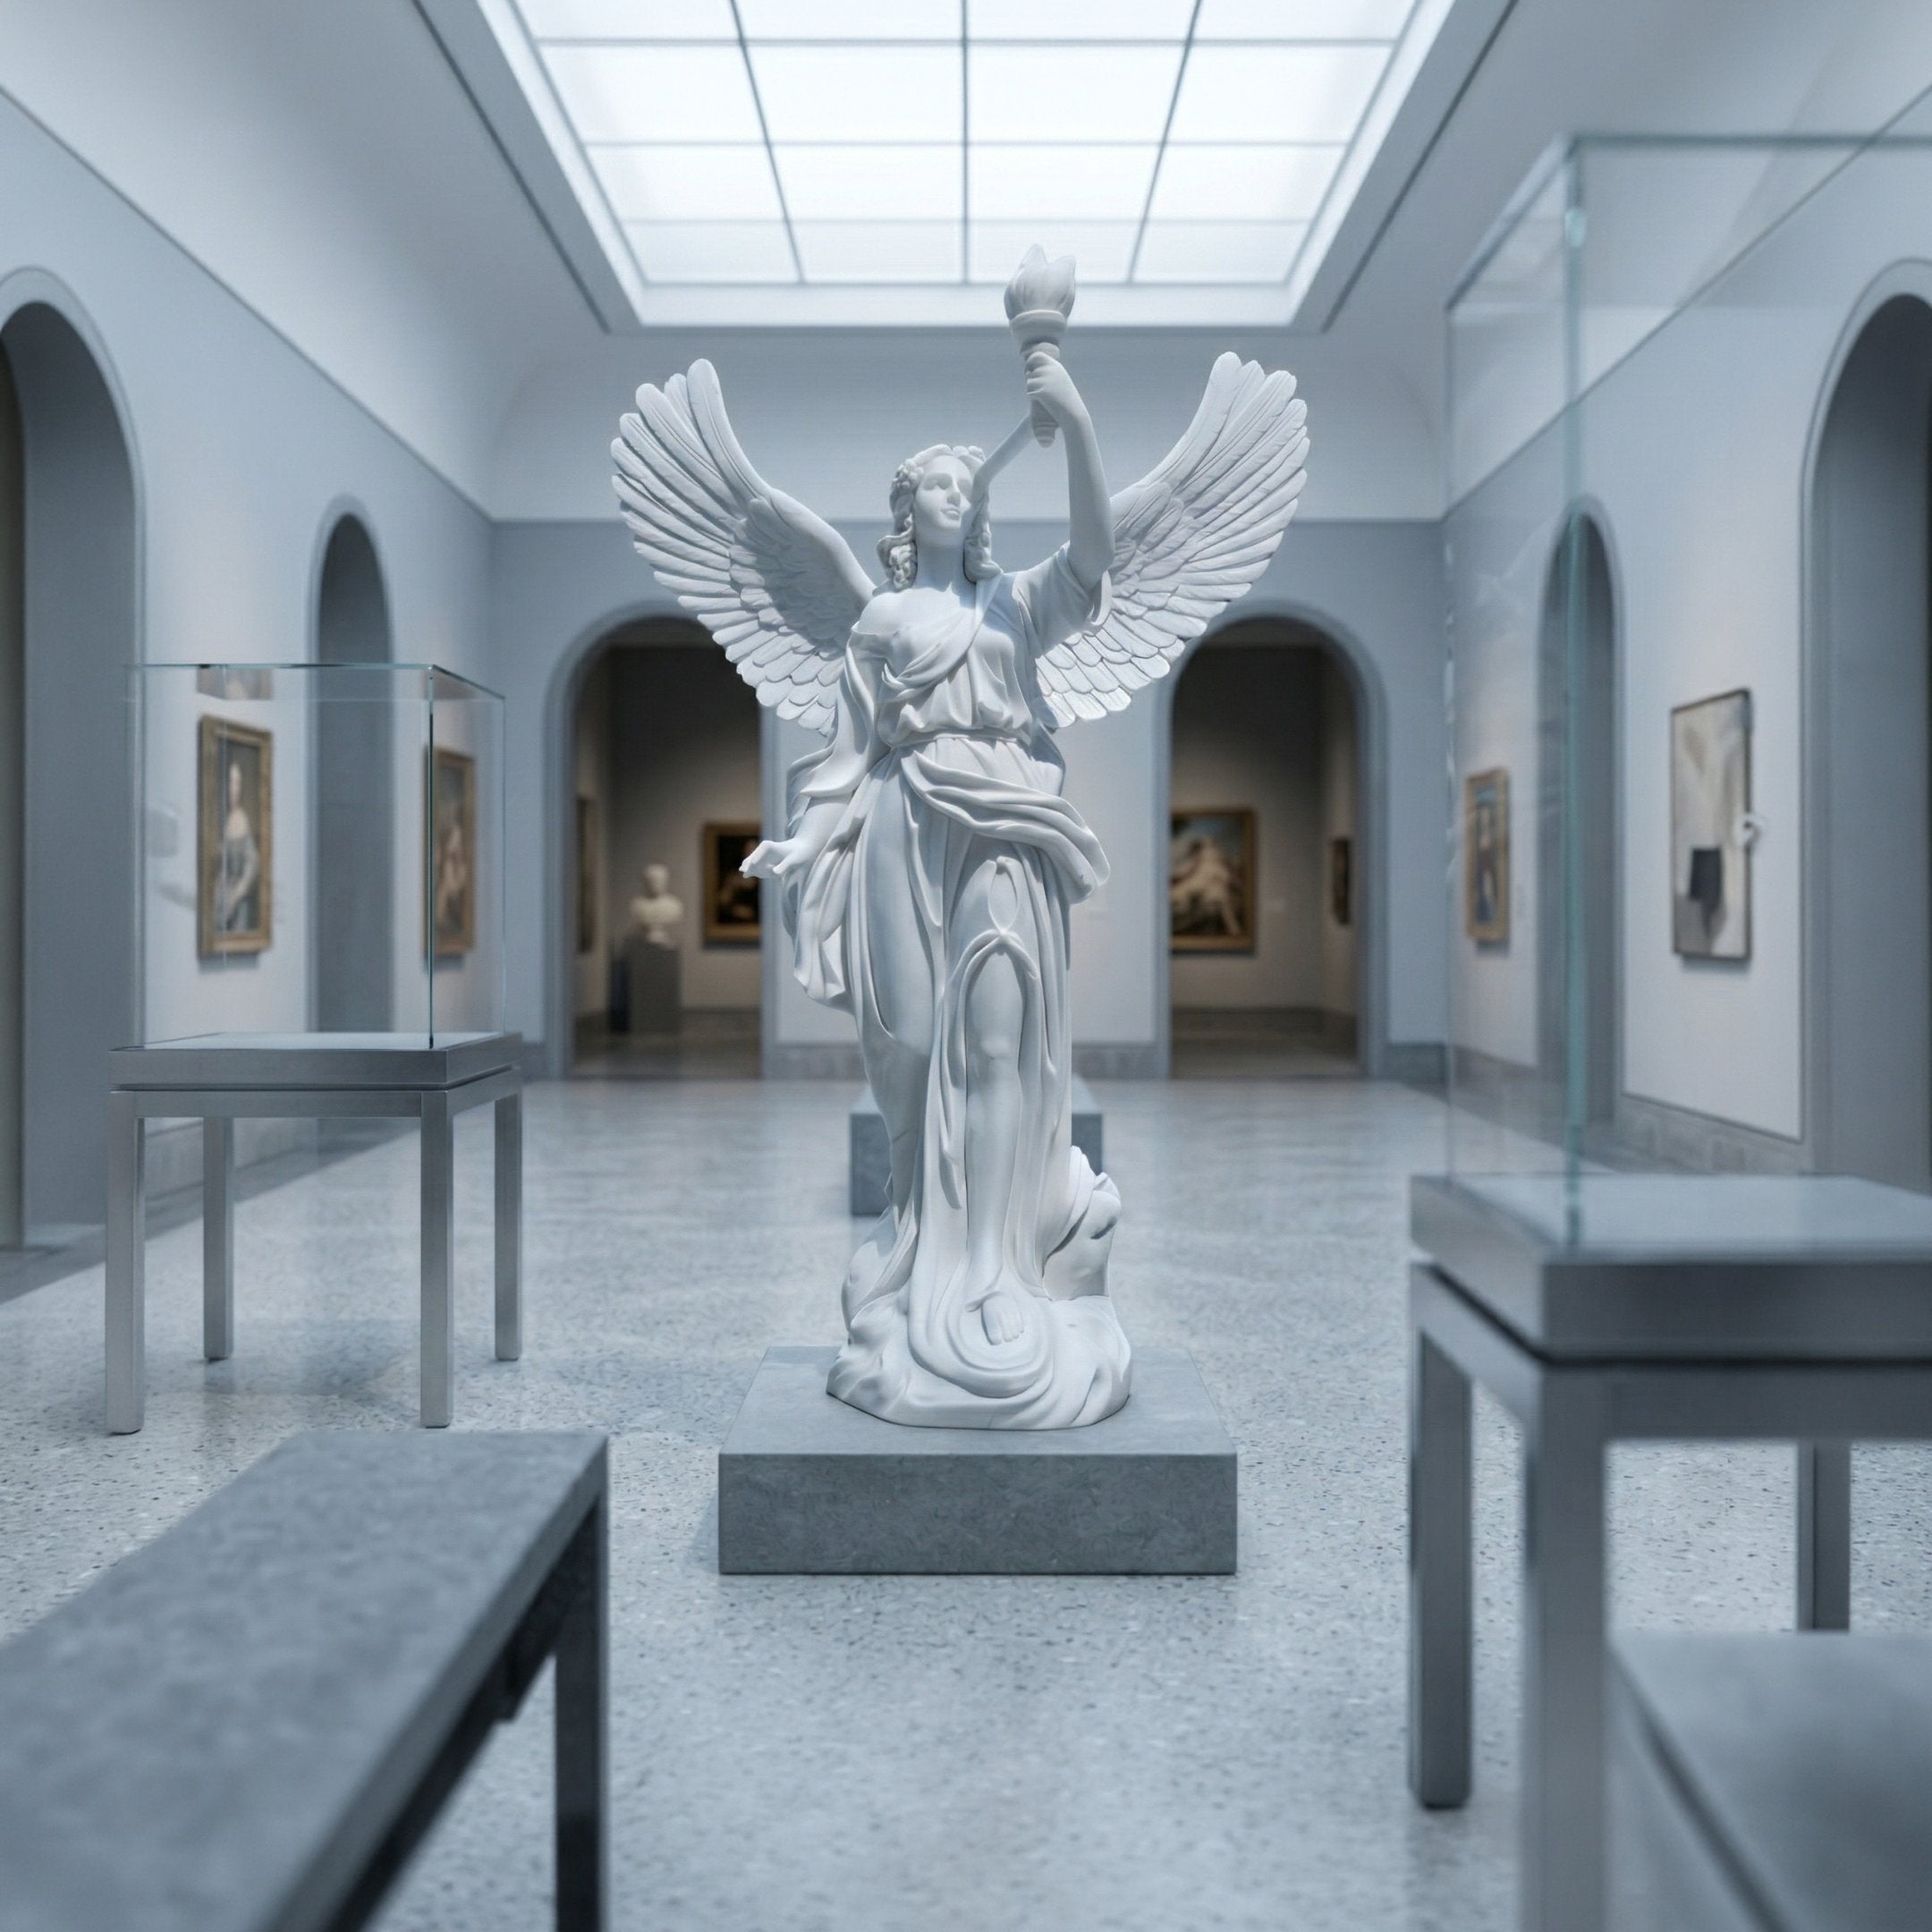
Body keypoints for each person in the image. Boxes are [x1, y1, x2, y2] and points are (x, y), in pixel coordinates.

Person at [743, 350, 1129, 1428]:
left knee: (999, 1047)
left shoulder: (1016, 607)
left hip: (1004, 823)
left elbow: (1098, 554)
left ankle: (997, 1271)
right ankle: (924, 1239)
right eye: (937, 484)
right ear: (911, 510)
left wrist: (1080, 427)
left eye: (971, 481)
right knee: (910, 1048)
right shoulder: (879, 625)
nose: (958, 492)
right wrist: (801, 842)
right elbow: (848, 753)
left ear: (985, 507)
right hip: (904, 827)